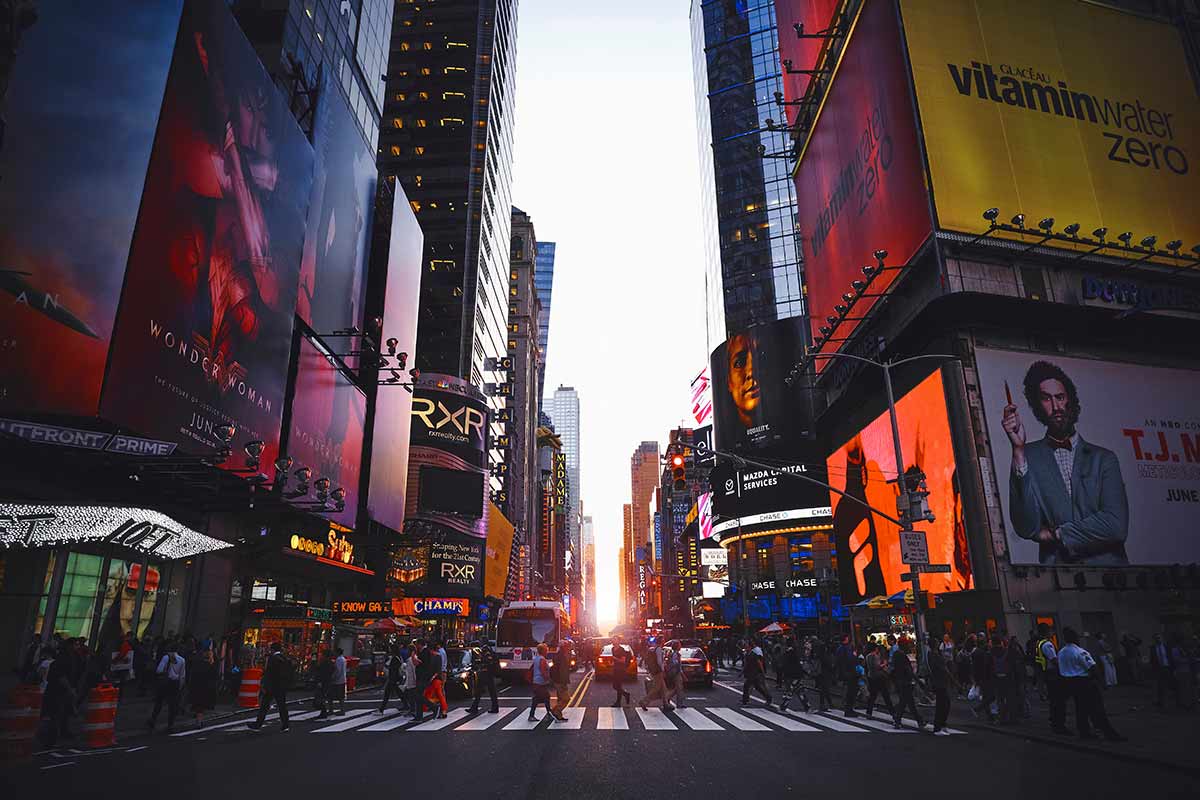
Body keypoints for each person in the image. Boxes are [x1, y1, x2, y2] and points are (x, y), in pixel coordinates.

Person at [1002, 360, 1129, 565]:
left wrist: (1058, 534)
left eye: (1060, 397)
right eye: (1046, 399)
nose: (1056, 407)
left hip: (1113, 580)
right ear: (1037, 406)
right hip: (1058, 581)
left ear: (1070, 399)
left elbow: (1116, 526)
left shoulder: (1104, 459)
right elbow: (1026, 527)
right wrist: (1018, 450)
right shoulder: (1028, 455)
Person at [1059, 627, 1125, 742]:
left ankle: (1084, 732)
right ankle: (1109, 733)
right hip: (1085, 682)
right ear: (1075, 639)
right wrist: (1102, 682)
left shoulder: (1061, 652)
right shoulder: (1080, 652)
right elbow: (1093, 668)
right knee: (1097, 708)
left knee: (1081, 709)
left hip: (1070, 683)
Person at [248, 642, 291, 732]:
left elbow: (269, 673)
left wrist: (264, 685)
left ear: (272, 649)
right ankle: (285, 724)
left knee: (264, 705)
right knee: (282, 706)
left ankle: (258, 724)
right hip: (281, 686)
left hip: (272, 686)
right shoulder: (284, 658)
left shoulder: (273, 659)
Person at [1035, 623, 1070, 734]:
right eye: (1051, 631)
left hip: (1047, 673)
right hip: (1053, 674)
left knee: (1054, 700)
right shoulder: (1047, 645)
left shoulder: (1039, 643)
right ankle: (1059, 725)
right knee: (1058, 700)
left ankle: (1055, 722)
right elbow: (1054, 660)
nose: (1053, 633)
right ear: (1047, 632)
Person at [146, 640, 186, 733]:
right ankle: (170, 724)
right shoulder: (182, 660)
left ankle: (153, 719)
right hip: (175, 683)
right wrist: (180, 686)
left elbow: (159, 670)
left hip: (164, 683)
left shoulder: (166, 657)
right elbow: (182, 675)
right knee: (172, 705)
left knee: (159, 702)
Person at [890, 639, 925, 730]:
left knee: (906, 702)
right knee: (908, 702)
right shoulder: (902, 656)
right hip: (905, 681)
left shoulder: (896, 655)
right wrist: (918, 680)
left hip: (899, 680)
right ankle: (918, 720)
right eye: (908, 645)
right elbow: (908, 670)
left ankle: (899, 719)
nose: (909, 646)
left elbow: (894, 667)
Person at [926, 635, 954, 734]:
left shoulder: (934, 654)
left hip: (941, 681)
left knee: (944, 703)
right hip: (939, 681)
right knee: (943, 704)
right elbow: (942, 668)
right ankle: (938, 726)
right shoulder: (933, 655)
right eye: (937, 642)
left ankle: (941, 724)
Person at [864, 642, 896, 721]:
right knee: (885, 695)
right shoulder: (874, 656)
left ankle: (869, 712)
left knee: (873, 695)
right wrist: (884, 664)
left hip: (871, 677)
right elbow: (876, 666)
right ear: (875, 649)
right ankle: (892, 712)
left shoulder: (868, 656)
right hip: (878, 677)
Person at [467, 640, 501, 714]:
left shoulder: (485, 650)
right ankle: (494, 707)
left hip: (486, 673)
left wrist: (482, 664)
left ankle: (475, 708)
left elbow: (488, 660)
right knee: (490, 692)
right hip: (488, 673)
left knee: (480, 691)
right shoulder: (488, 649)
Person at [189, 649, 218, 728]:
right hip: (206, 688)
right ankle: (199, 721)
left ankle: (198, 720)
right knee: (201, 705)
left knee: (198, 705)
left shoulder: (197, 665)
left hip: (197, 687)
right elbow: (214, 678)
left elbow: (192, 676)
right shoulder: (211, 666)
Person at [778, 638, 809, 713]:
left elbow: (784, 664)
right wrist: (804, 672)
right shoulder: (793, 652)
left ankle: (807, 706)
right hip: (795, 675)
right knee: (792, 691)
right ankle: (783, 706)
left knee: (798, 690)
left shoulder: (786, 652)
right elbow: (797, 665)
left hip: (789, 674)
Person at [640, 641, 672, 711]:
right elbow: (659, 661)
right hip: (658, 671)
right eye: (663, 640)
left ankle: (665, 704)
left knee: (664, 689)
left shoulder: (652, 649)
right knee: (656, 688)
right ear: (661, 641)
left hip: (654, 671)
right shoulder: (659, 649)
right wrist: (663, 670)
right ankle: (643, 701)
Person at [529, 643, 556, 721]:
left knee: (539, 698)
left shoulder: (537, 658)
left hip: (537, 681)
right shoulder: (542, 659)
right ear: (543, 651)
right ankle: (548, 714)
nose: (547, 651)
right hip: (540, 682)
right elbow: (543, 670)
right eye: (546, 649)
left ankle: (533, 715)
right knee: (545, 697)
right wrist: (548, 679)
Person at [740, 640, 772, 708]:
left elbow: (759, 663)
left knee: (746, 686)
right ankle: (768, 698)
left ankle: (744, 701)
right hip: (750, 673)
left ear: (750, 647)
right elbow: (746, 664)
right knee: (758, 687)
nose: (745, 647)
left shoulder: (753, 654)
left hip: (754, 673)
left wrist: (763, 672)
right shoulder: (747, 654)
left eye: (747, 646)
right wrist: (742, 672)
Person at [834, 635, 859, 717]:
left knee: (849, 690)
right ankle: (849, 710)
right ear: (846, 639)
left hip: (844, 672)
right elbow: (850, 659)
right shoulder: (846, 648)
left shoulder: (839, 648)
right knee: (851, 691)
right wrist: (855, 655)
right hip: (849, 672)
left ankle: (848, 708)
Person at [422, 642, 448, 719]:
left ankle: (432, 707)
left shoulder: (433, 656)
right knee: (439, 695)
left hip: (434, 678)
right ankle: (443, 710)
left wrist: (432, 677)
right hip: (438, 677)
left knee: (427, 694)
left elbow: (435, 669)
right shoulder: (438, 655)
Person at [1150, 633, 1176, 708]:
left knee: (1169, 683)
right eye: (1156, 638)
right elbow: (1152, 660)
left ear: (1162, 639)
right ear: (1154, 640)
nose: (1158, 639)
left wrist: (1173, 668)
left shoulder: (1166, 647)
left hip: (1167, 667)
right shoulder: (1153, 648)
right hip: (1158, 668)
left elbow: (1171, 657)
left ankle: (1170, 699)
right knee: (1160, 685)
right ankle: (1161, 701)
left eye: (1159, 638)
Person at [378, 645, 407, 714]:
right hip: (396, 679)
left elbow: (394, 670)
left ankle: (381, 709)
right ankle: (406, 706)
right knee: (399, 694)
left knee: (387, 694)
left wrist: (393, 680)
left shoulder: (394, 659)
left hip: (393, 679)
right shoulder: (398, 657)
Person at [548, 644, 572, 721]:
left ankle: (559, 716)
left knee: (560, 698)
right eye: (568, 647)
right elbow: (562, 671)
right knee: (566, 698)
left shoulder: (558, 655)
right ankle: (555, 710)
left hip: (557, 680)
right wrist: (564, 682)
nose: (569, 648)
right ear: (565, 648)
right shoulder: (562, 657)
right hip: (560, 681)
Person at [610, 637, 632, 707]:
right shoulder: (613, 649)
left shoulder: (621, 650)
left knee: (618, 685)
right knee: (615, 686)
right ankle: (625, 694)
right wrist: (612, 663)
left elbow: (623, 661)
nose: (613, 640)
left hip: (621, 669)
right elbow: (615, 660)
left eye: (615, 639)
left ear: (619, 641)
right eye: (613, 639)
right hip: (615, 669)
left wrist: (614, 658)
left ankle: (618, 702)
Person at [329, 647, 348, 716]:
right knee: (341, 697)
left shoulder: (339, 660)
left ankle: (332, 710)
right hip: (342, 680)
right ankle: (342, 710)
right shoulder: (343, 659)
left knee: (332, 696)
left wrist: (333, 677)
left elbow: (337, 670)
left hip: (337, 681)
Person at [315, 650, 334, 716]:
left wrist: (319, 681)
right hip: (328, 681)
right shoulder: (331, 663)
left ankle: (323, 711)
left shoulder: (324, 663)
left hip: (324, 682)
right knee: (327, 696)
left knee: (322, 696)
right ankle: (328, 710)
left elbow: (321, 673)